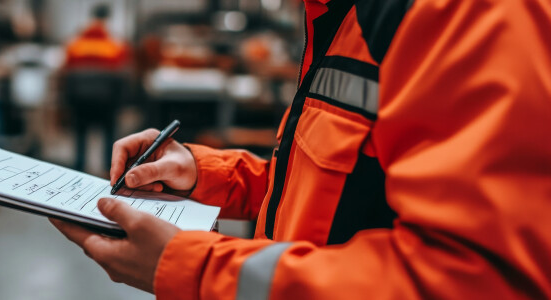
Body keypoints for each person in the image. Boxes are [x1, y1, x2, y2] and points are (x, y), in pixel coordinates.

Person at [51, 0, 551, 298]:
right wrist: (206, 173)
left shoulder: (468, 15)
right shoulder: (341, 16)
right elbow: (343, 183)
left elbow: (479, 282)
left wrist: (198, 271)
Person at [63, 3, 130, 172]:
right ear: (107, 18)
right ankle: (109, 169)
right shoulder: (116, 45)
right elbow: (123, 77)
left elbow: (66, 75)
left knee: (80, 135)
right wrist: (121, 103)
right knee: (109, 135)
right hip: (107, 101)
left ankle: (78, 167)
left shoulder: (74, 44)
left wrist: (68, 101)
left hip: (80, 101)